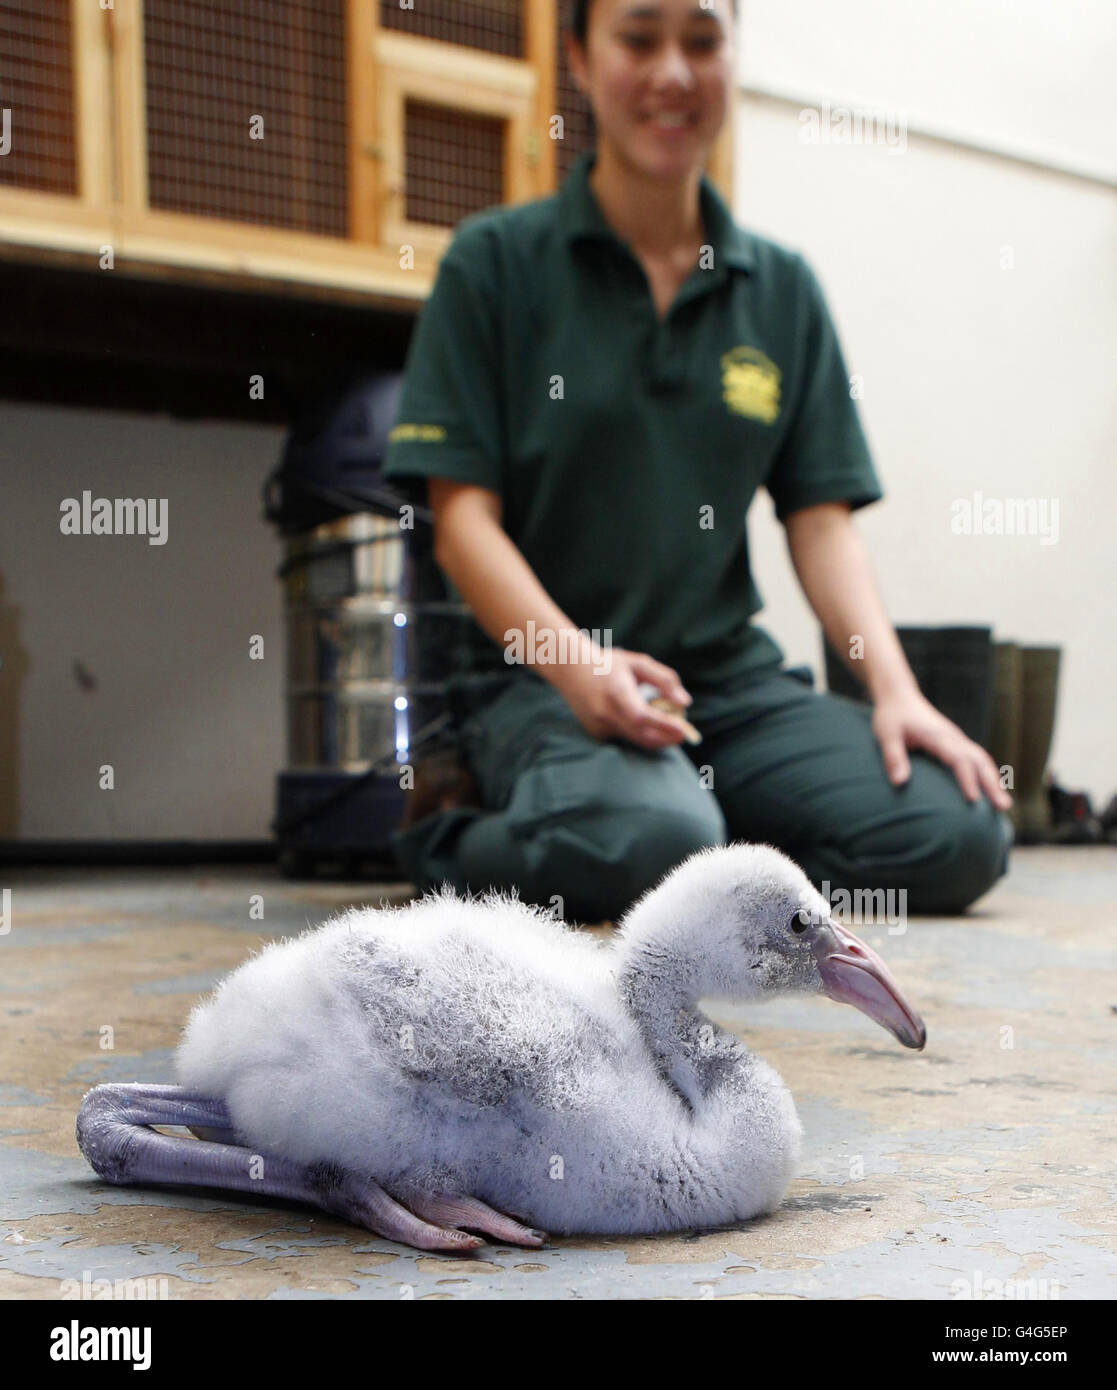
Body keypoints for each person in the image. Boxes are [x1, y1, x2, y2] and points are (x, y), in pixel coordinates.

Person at [381, 0, 1012, 924]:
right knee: (650, 839)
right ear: (582, 60)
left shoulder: (779, 288)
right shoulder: (494, 266)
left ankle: (698, 833)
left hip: (731, 692)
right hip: (543, 684)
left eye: (702, 41)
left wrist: (894, 690)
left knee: (957, 831)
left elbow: (821, 520)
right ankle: (452, 839)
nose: (672, 72)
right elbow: (461, 522)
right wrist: (576, 664)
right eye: (638, 39)